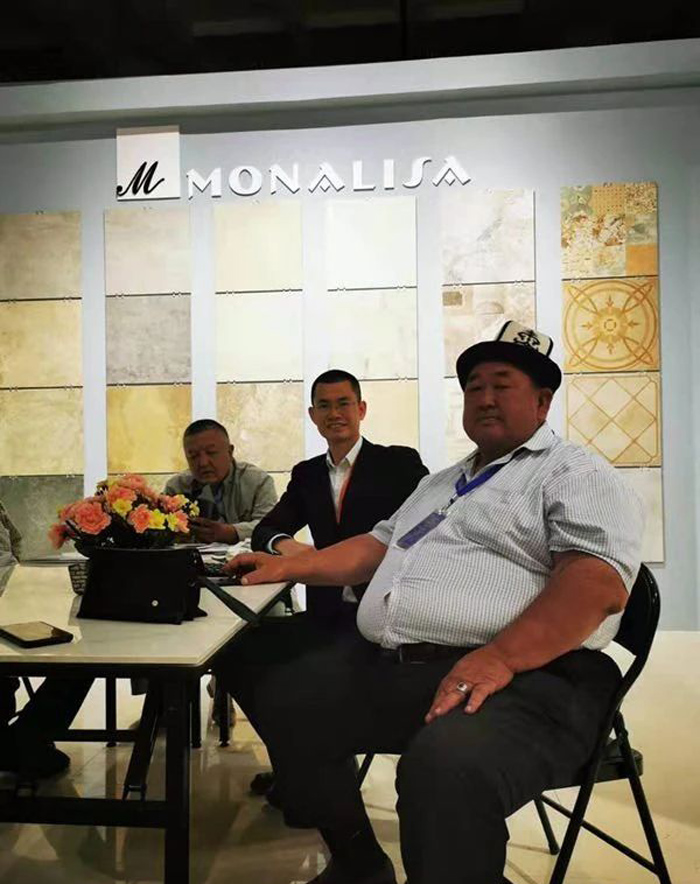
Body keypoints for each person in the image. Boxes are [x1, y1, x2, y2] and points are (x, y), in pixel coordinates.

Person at [220, 321, 644, 884]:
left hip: (536, 676)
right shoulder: (442, 483)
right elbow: (375, 547)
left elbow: (595, 584)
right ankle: (359, 865)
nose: (485, 398)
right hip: (417, 666)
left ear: (543, 402)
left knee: (443, 768)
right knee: (277, 684)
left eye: (502, 385)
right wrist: (287, 565)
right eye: (474, 387)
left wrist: (500, 657)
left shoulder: (573, 473)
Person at [246, 369, 428, 801]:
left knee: (301, 679)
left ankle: (315, 768)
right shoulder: (307, 474)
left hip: (381, 617)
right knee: (244, 652)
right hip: (328, 613)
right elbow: (266, 530)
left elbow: (422, 527)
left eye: (343, 403)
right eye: (324, 406)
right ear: (313, 416)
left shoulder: (398, 463)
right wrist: (299, 553)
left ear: (361, 409)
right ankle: (297, 762)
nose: (335, 413)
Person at [0, 501, 92, 779]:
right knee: (83, 657)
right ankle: (26, 742)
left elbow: (13, 543)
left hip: (9, 600)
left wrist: (15, 586)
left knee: (81, 652)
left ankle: (25, 739)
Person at [165, 419, 278, 544]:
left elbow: (271, 527)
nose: (203, 463)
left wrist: (232, 532)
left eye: (211, 453)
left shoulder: (257, 481)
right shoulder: (176, 488)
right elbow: (159, 530)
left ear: (230, 452)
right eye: (193, 456)